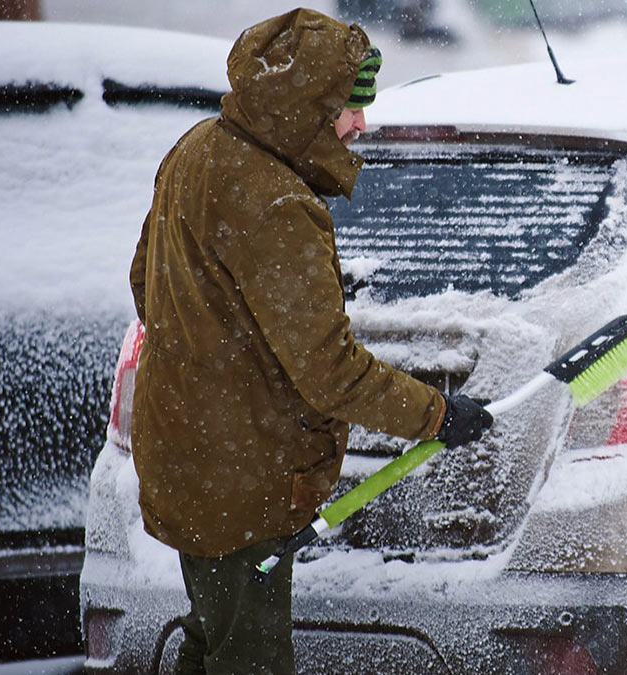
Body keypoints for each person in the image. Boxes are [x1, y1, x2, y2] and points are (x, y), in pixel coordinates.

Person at [127, 9, 493, 674]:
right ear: (304, 106)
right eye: (347, 109)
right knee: (251, 656)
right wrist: (437, 415)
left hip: (185, 457)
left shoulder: (196, 149)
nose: (359, 124)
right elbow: (330, 371)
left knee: (215, 636)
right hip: (241, 480)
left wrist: (214, 360)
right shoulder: (277, 203)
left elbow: (143, 284)